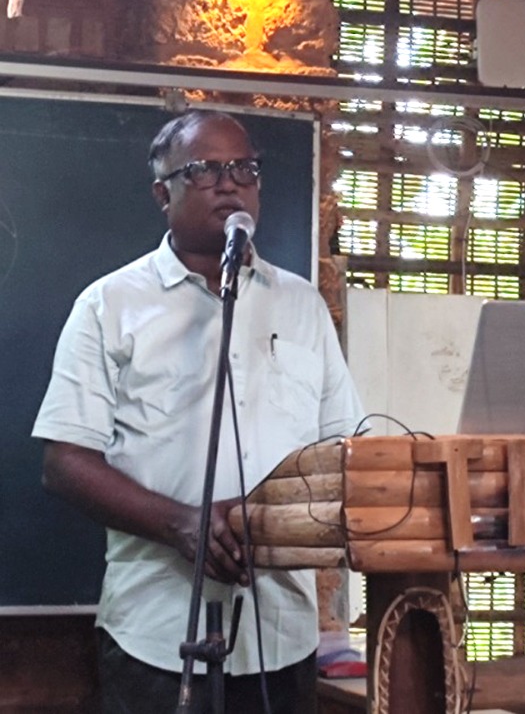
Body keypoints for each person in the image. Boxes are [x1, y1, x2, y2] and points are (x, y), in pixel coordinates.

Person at [33, 111, 364, 714]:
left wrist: (280, 521)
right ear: (163, 194)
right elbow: (65, 462)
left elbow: (342, 450)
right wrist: (182, 524)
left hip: (280, 634)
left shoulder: (302, 306)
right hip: (156, 637)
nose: (230, 183)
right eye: (205, 170)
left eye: (244, 168)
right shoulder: (110, 305)